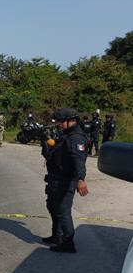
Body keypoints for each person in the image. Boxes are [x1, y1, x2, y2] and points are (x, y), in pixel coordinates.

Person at [41, 108, 89, 253]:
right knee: (52, 206)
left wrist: (81, 179)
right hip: (56, 179)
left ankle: (68, 244)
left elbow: (78, 160)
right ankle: (57, 236)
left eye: (62, 122)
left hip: (66, 180)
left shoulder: (76, 138)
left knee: (63, 211)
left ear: (72, 121)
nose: (59, 124)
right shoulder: (67, 135)